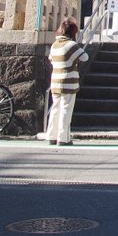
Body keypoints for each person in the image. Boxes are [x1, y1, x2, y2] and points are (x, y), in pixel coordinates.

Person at [45, 17, 88, 146]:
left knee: (55, 108)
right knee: (66, 109)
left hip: (55, 80)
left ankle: (51, 136)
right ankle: (63, 138)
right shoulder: (71, 45)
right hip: (68, 81)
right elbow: (85, 57)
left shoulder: (55, 45)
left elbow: (51, 60)